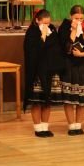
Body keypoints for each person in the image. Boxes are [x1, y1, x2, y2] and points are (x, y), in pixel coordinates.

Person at [23, 9, 65, 137]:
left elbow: (57, 48)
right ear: (37, 20)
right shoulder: (32, 32)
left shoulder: (52, 31)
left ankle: (45, 127)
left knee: (47, 100)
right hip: (37, 71)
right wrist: (43, 37)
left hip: (50, 70)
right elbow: (32, 52)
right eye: (44, 23)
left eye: (48, 23)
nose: (47, 26)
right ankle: (38, 128)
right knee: (37, 101)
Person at [59, 5, 84, 136]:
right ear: (71, 16)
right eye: (76, 18)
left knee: (82, 97)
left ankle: (78, 125)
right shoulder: (64, 27)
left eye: (81, 18)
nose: (79, 21)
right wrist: (73, 30)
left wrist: (82, 54)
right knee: (69, 98)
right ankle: (71, 125)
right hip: (69, 65)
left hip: (83, 65)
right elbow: (66, 47)